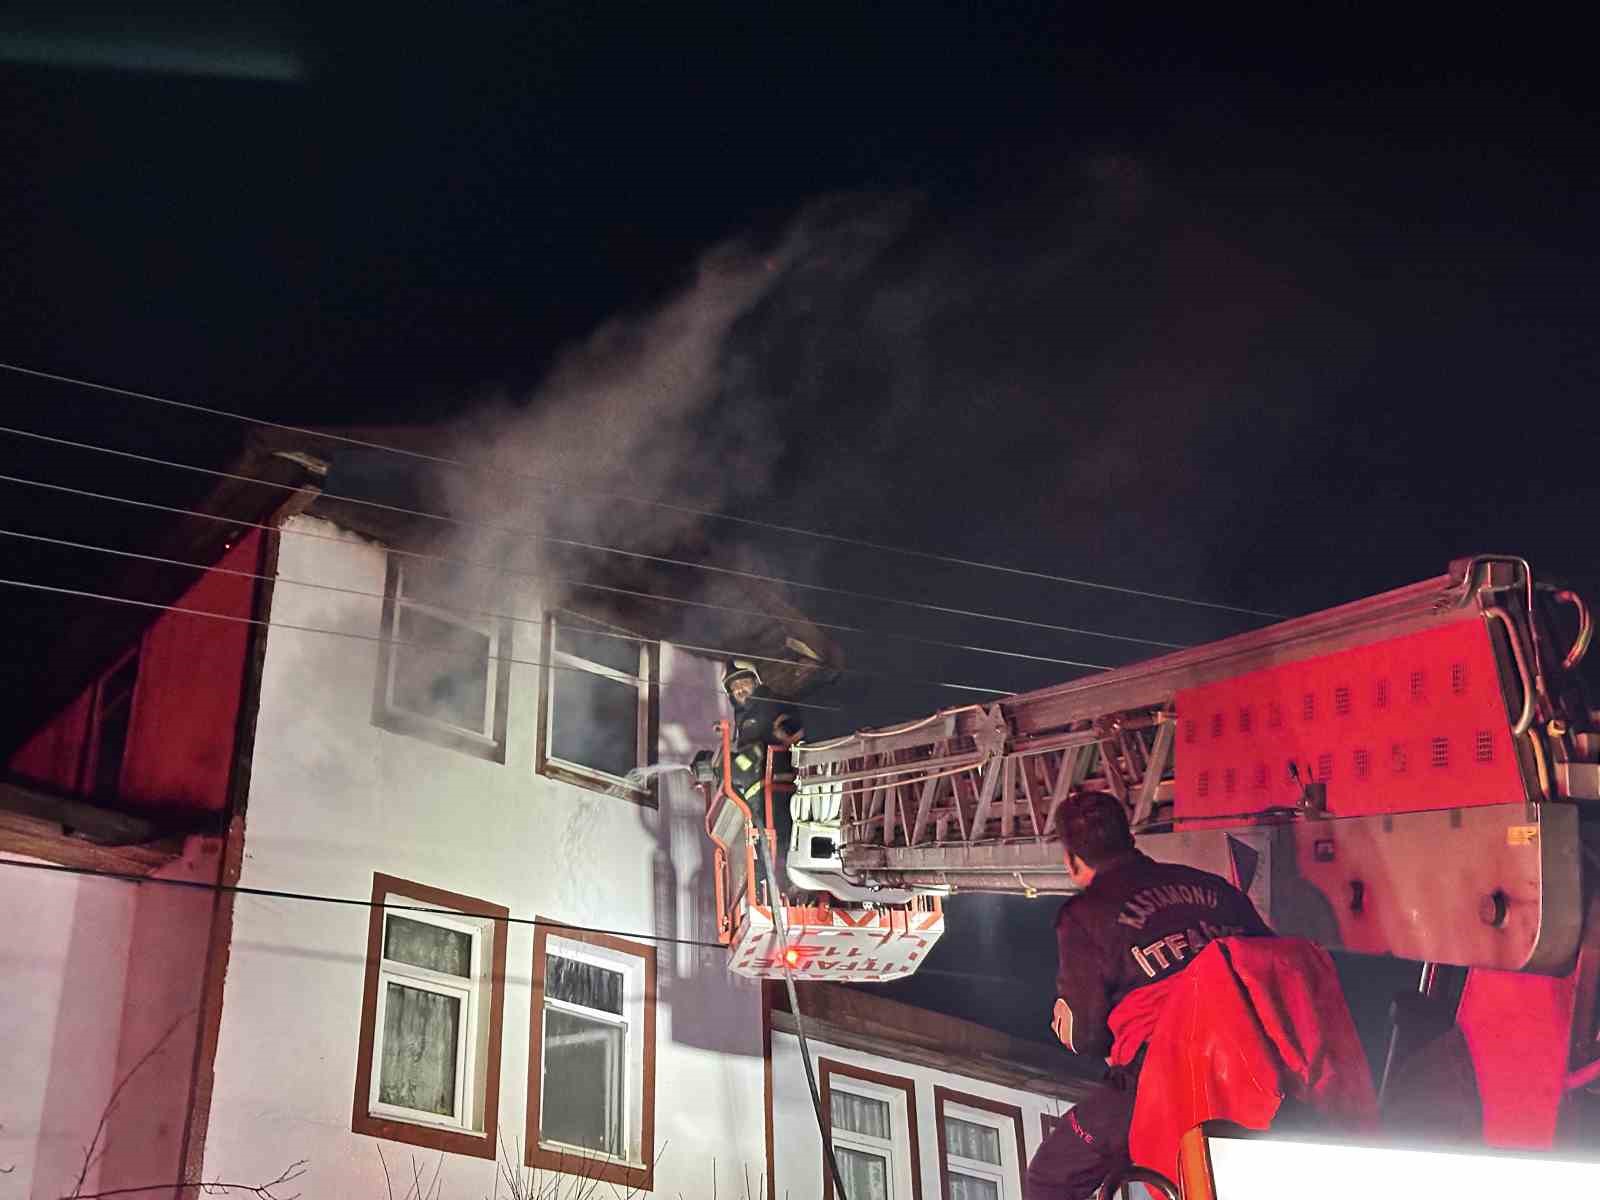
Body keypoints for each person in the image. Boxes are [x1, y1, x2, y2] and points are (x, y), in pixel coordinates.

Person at [1025, 791, 1272, 1200]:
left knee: (1051, 1177)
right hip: (1264, 1059)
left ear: (1071, 862)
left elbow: (1088, 1037)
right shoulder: (1213, 887)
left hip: (1167, 1071)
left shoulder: (1084, 916)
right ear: (1131, 839)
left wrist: (1067, 1027)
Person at [701, 660, 804, 811]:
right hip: (757, 779)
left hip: (773, 775)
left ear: (756, 682)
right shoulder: (743, 715)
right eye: (734, 687)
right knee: (721, 768)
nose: (739, 689)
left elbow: (797, 725)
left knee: (726, 767)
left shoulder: (771, 702)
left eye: (744, 682)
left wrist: (786, 733)